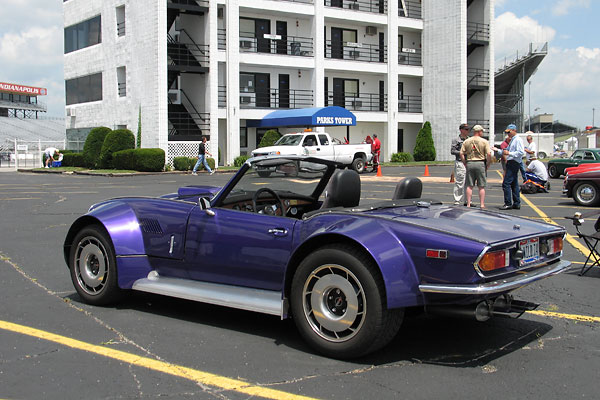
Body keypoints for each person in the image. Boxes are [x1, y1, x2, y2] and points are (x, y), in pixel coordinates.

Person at [459, 125, 491, 209]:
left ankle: (468, 203)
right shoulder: (484, 141)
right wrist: (488, 163)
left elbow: (461, 153)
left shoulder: (467, 141)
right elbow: (488, 154)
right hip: (480, 162)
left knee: (469, 185)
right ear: (479, 131)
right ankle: (482, 204)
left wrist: (464, 162)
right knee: (481, 185)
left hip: (470, 162)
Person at [499, 124, 525, 210]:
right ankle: (516, 203)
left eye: (509, 132)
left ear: (514, 130)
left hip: (514, 162)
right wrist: (499, 151)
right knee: (514, 184)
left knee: (506, 183)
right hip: (512, 162)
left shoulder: (518, 140)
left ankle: (508, 203)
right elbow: (507, 150)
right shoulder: (513, 140)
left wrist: (509, 153)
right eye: (507, 132)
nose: (508, 134)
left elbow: (521, 152)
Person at [450, 123, 470, 205]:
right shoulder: (456, 140)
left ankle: (468, 200)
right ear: (461, 130)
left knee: (469, 182)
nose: (468, 131)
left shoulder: (469, 139)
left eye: (468, 129)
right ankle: (457, 200)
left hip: (469, 162)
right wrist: (462, 153)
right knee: (460, 181)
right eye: (466, 129)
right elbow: (452, 151)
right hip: (460, 162)